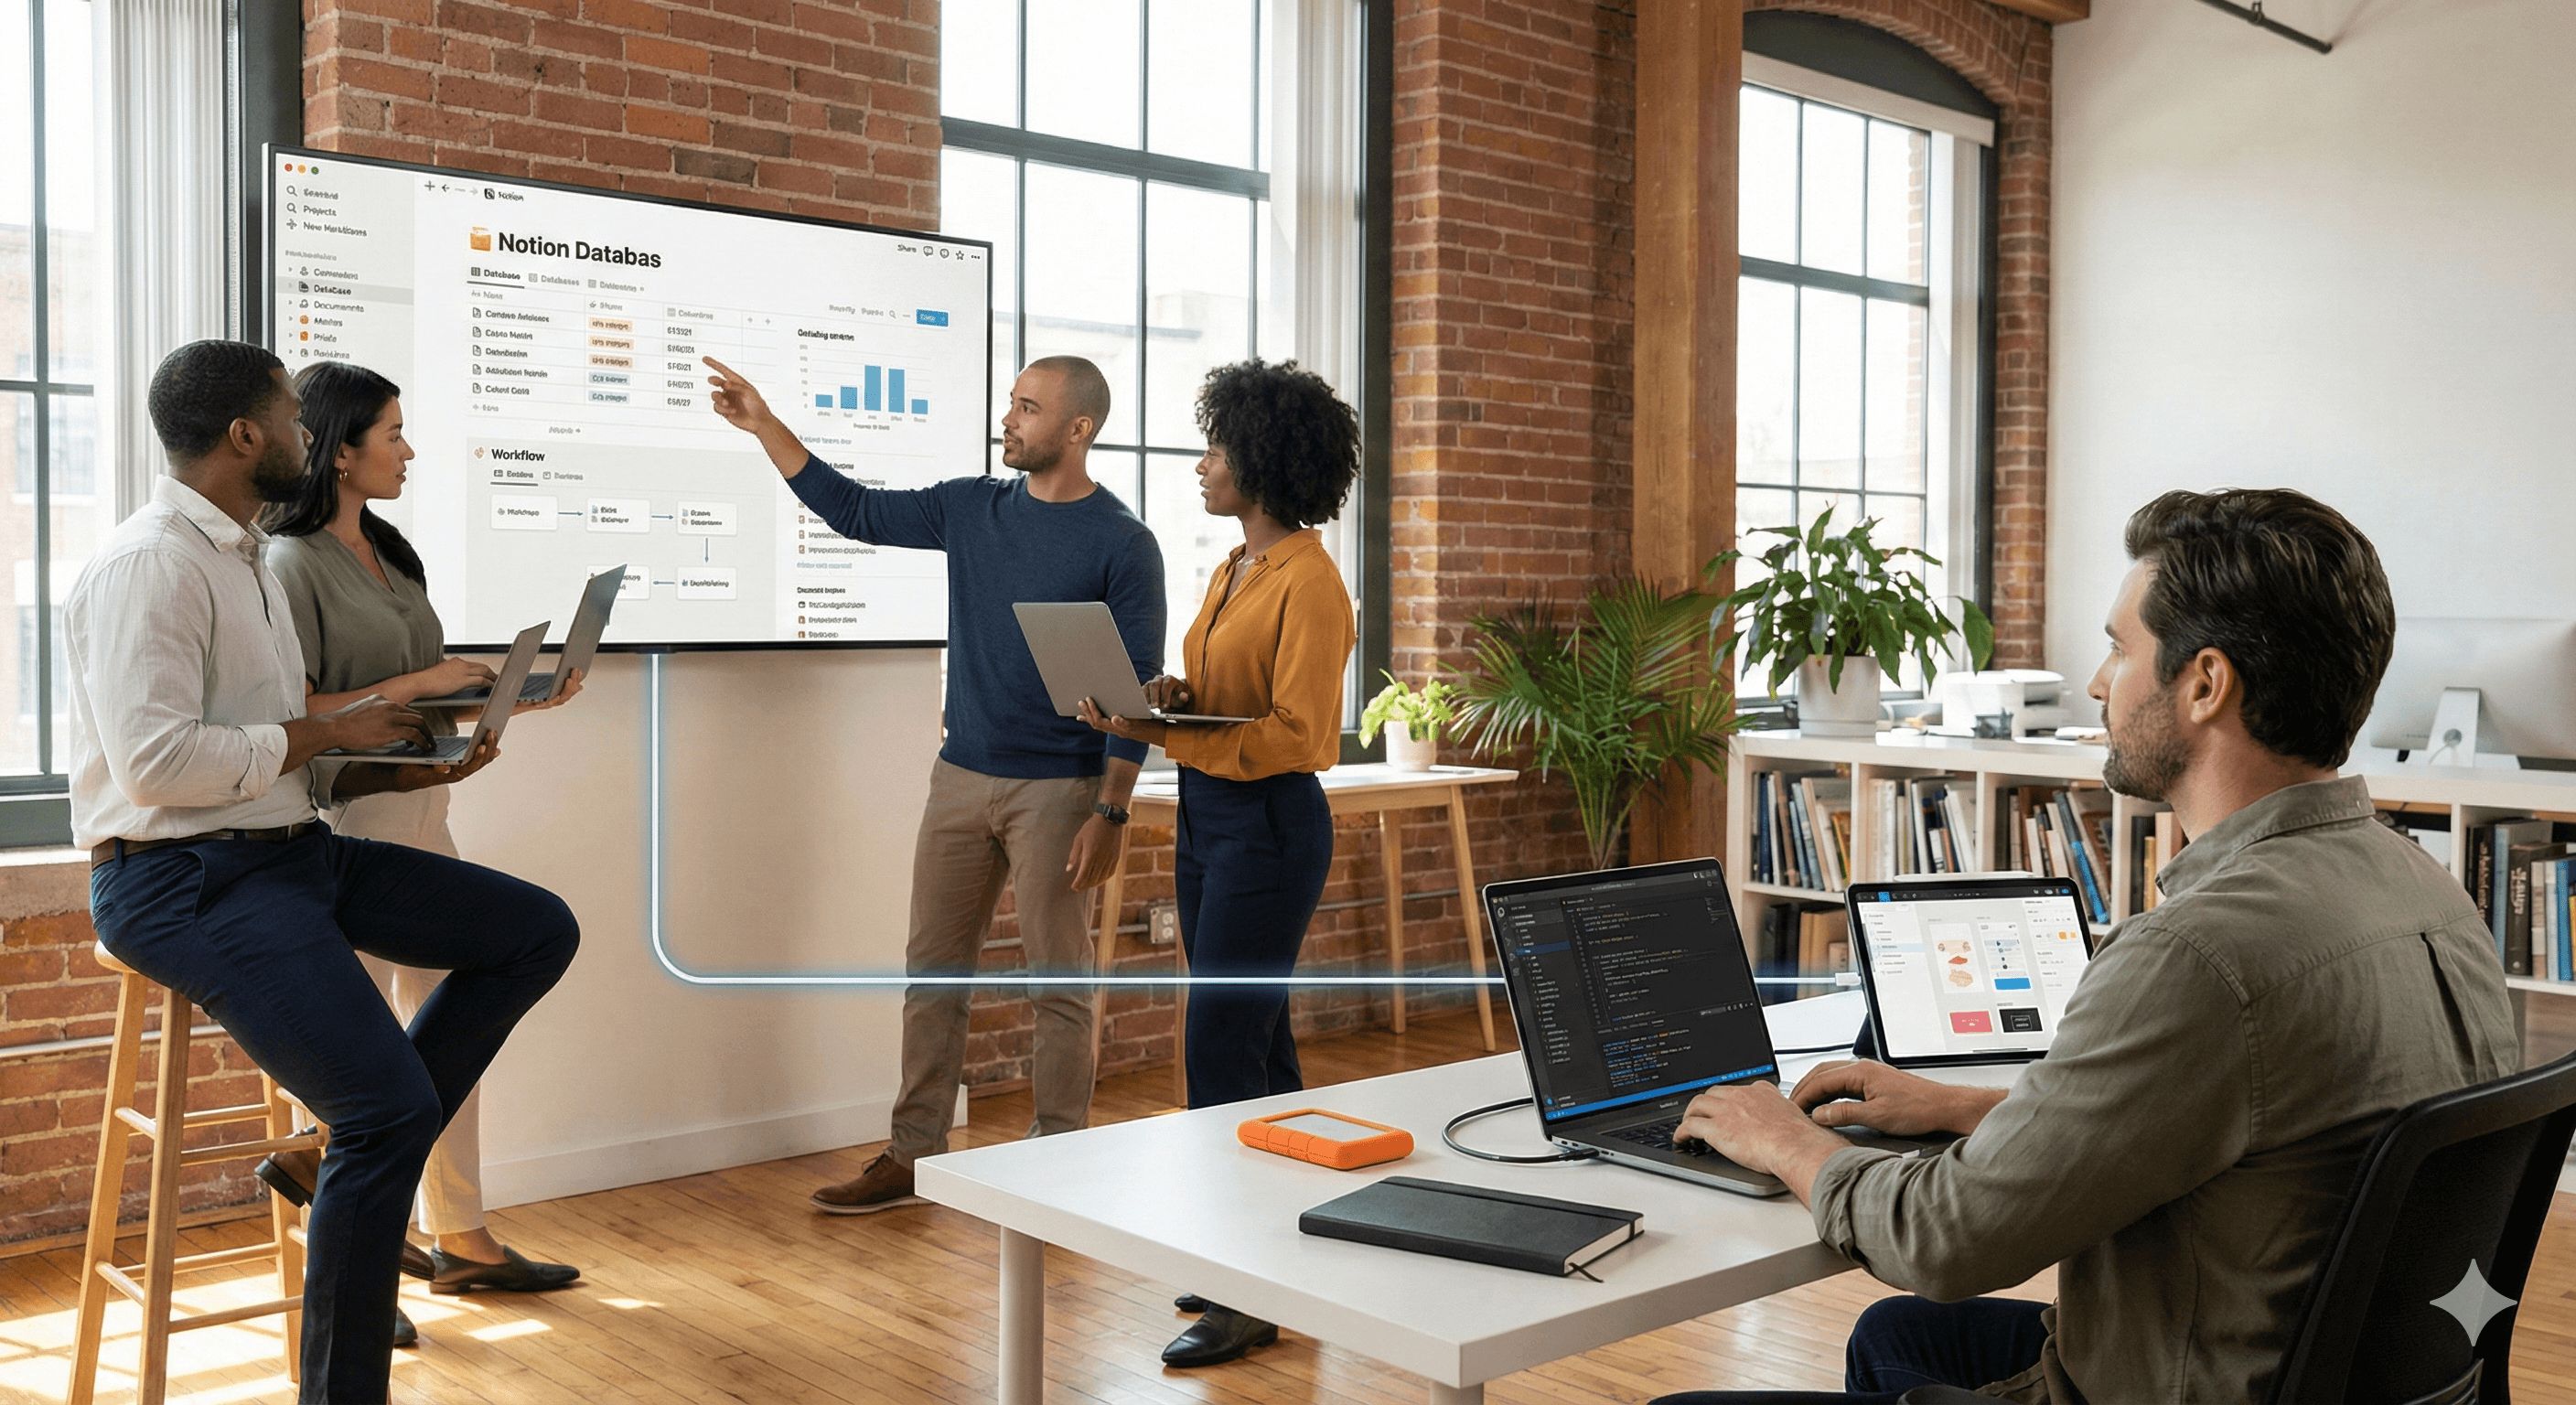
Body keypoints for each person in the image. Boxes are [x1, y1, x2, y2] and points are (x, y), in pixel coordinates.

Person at [1654, 488, 2518, 1404]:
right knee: (1900, 1339)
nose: (2099, 682)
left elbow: (1944, 1241)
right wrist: (1965, 1107)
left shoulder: (2197, 956)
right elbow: (2261, 1139)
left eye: (2116, 646)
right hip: (2331, 1377)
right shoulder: (2426, 890)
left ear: (2203, 683)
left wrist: (1780, 1138)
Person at [71, 339, 580, 1403]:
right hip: (179, 879)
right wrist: (322, 734)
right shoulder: (150, 564)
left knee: (535, 930)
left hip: (290, 849)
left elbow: (277, 729)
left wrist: (401, 737)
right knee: (386, 1111)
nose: (308, 438)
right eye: (295, 420)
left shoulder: (243, 555)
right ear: (246, 435)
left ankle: (341, 1152)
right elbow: (158, 764)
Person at [700, 351, 1164, 1214]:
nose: (1009, 419)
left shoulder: (1124, 544)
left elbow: (1134, 692)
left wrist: (1111, 807)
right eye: (1010, 404)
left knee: (1057, 982)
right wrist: (765, 424)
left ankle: (1059, 1160)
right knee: (932, 974)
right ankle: (913, 1154)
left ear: (1077, 429)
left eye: (1027, 408)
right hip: (960, 776)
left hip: (1059, 791)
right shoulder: (972, 508)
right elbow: (854, 511)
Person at [254, 360, 585, 1319]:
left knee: (454, 1032)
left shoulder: (391, 552)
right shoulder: (288, 564)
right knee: (348, 1058)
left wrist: (496, 701)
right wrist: (425, 683)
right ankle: (355, 1253)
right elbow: (294, 712)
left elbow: (419, 684)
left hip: (421, 806)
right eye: (392, 433)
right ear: (338, 447)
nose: (408, 450)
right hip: (343, 822)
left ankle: (460, 1233)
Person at [1078, 359, 1358, 1369]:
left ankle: (1241, 1291)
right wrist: (1162, 697)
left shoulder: (1312, 581)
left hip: (1269, 823)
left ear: (1262, 460)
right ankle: (1284, 1251)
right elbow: (1226, 694)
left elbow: (1299, 734)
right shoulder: (1233, 569)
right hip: (1210, 817)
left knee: (1218, 1047)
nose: (1201, 465)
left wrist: (1164, 736)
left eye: (1216, 449)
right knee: (1259, 1044)